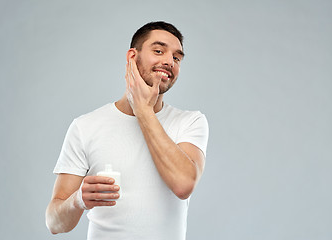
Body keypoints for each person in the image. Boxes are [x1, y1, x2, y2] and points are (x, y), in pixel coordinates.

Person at [45, 21, 209, 240]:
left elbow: (183, 184)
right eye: (158, 51)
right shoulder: (86, 126)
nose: (169, 61)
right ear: (132, 57)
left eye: (177, 58)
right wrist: (78, 200)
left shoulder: (190, 122)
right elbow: (54, 223)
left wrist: (143, 109)